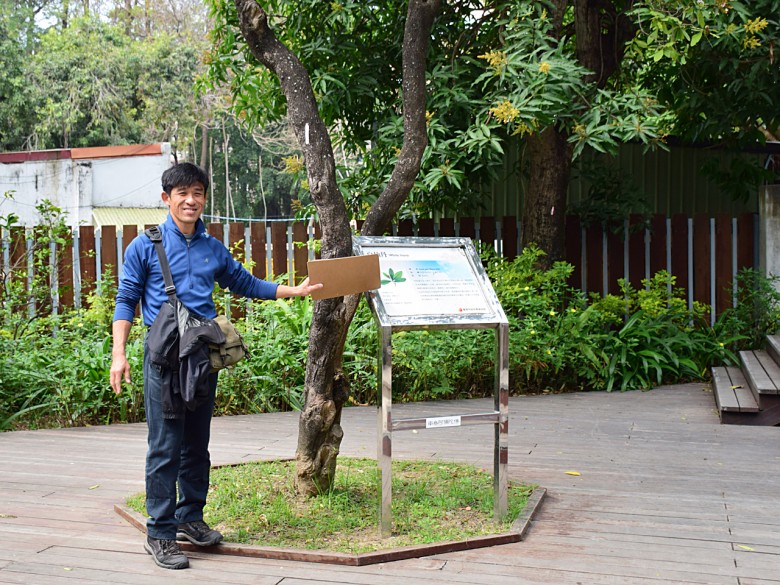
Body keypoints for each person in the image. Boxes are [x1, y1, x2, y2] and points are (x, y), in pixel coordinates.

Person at [109, 162, 322, 570]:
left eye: (198, 193)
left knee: (196, 446)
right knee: (165, 446)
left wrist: (293, 290)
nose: (191, 201)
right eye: (182, 193)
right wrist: (119, 354)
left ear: (205, 199)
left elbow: (244, 282)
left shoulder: (211, 247)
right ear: (166, 198)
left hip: (202, 359)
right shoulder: (145, 245)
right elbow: (125, 300)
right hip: (164, 361)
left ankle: (190, 519)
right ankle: (160, 532)